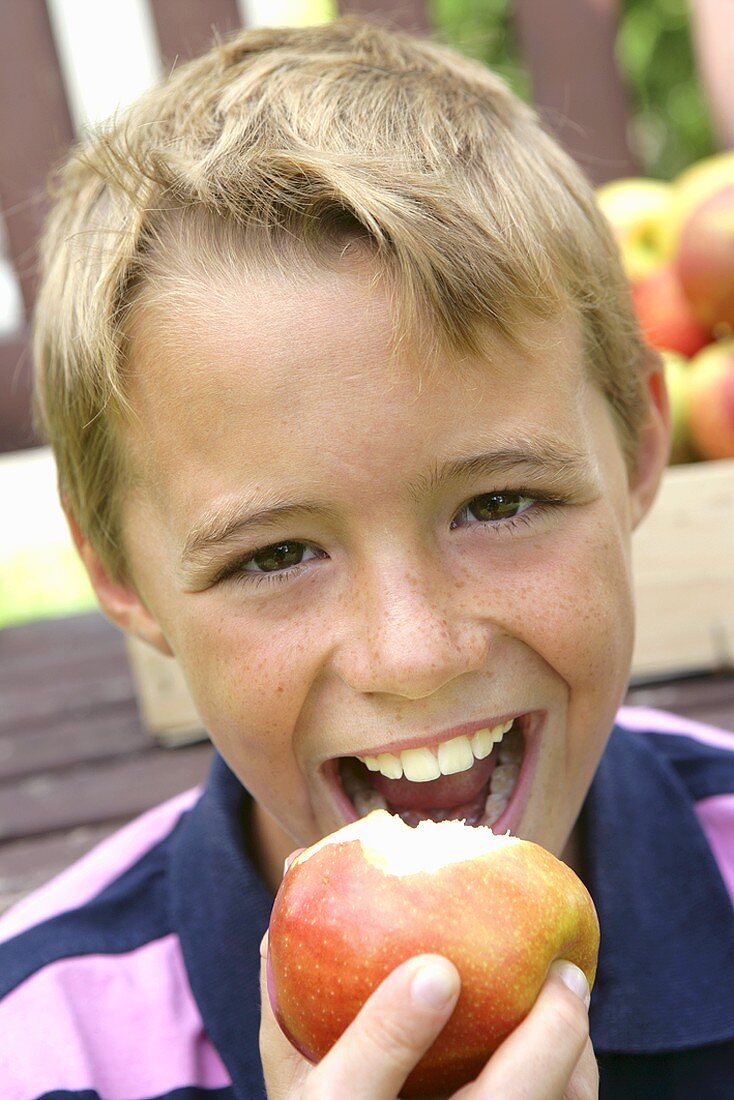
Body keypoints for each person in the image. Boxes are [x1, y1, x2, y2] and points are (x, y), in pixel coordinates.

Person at [1, 17, 733, 1100]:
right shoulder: (46, 1049)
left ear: (633, 450)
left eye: (497, 501)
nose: (413, 651)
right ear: (116, 568)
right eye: (275, 554)